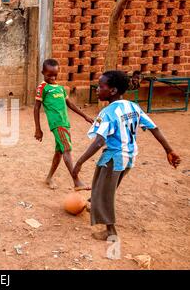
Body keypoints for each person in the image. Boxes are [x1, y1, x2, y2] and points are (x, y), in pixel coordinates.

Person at [72, 70, 181, 241]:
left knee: (106, 191)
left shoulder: (108, 112)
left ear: (113, 90)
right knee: (101, 182)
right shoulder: (133, 106)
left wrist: (79, 162)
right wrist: (169, 150)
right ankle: (95, 202)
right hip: (129, 157)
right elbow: (154, 128)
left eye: (101, 87)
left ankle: (110, 231)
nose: (97, 90)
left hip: (115, 158)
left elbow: (99, 141)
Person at [34, 59, 94, 190]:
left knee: (59, 152)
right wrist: (38, 129)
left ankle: (49, 178)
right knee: (67, 149)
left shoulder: (61, 88)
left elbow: (70, 104)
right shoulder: (43, 88)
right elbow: (36, 108)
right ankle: (76, 181)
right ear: (43, 72)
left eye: (55, 74)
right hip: (57, 124)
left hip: (65, 123)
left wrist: (85, 116)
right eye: (49, 75)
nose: (52, 77)